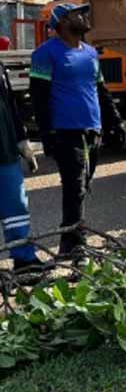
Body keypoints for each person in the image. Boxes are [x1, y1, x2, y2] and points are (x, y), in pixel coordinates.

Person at [29, 3, 126, 258]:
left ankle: (67, 246)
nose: (84, 16)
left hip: (92, 129)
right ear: (61, 23)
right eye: (77, 14)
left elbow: (101, 90)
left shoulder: (91, 54)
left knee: (83, 187)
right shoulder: (45, 54)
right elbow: (39, 97)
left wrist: (116, 122)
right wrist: (47, 133)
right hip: (65, 131)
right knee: (75, 188)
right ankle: (77, 247)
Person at [0, 60, 45, 275]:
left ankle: (25, 261)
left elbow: (10, 105)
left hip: (5, 150)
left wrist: (22, 142)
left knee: (16, 206)